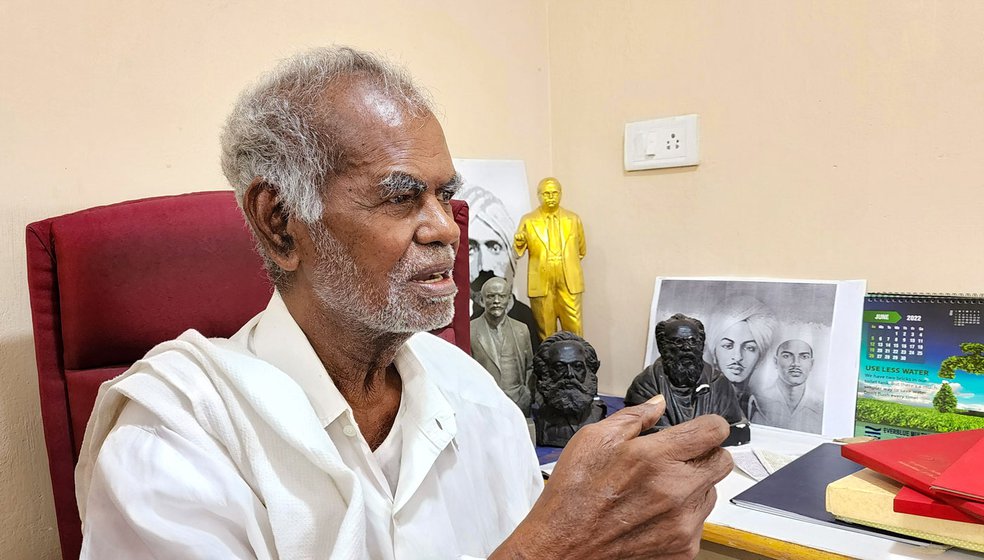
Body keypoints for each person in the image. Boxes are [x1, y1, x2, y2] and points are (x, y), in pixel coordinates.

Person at [75, 46, 732, 559]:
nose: (446, 227)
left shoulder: (475, 400)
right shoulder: (174, 447)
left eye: (445, 194)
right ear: (281, 224)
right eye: (400, 196)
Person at [625, 314, 746, 429]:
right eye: (678, 342)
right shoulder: (645, 386)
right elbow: (648, 432)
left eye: (693, 341)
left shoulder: (719, 384)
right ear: (662, 346)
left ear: (701, 345)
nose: (687, 348)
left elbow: (735, 426)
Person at [514, 177, 586, 341]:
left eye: (554, 193)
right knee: (545, 331)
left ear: (561, 194)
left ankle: (577, 361)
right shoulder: (528, 220)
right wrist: (519, 242)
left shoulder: (573, 219)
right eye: (546, 194)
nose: (551, 197)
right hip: (541, 281)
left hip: (569, 281)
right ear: (539, 196)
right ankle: (549, 365)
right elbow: (518, 252)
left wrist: (562, 263)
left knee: (575, 328)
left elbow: (581, 250)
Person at [470, 277, 535, 422]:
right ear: (482, 299)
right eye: (491, 296)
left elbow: (530, 366)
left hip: (518, 403)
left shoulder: (521, 329)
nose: (496, 301)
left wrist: (527, 393)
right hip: (485, 405)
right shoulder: (471, 330)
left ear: (509, 298)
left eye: (501, 296)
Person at [705, 296, 777, 416]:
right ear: (714, 352)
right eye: (728, 346)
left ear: (760, 357)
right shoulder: (699, 401)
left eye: (749, 348)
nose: (738, 357)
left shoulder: (764, 411)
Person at [533, 331, 607, 447]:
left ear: (589, 369)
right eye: (559, 367)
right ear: (545, 371)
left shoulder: (598, 416)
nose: (569, 374)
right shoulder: (541, 423)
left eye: (577, 366)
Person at [749, 339, 823, 433]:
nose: (795, 363)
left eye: (804, 357)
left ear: (811, 364)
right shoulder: (757, 400)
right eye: (787, 356)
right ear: (775, 361)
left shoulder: (821, 404)